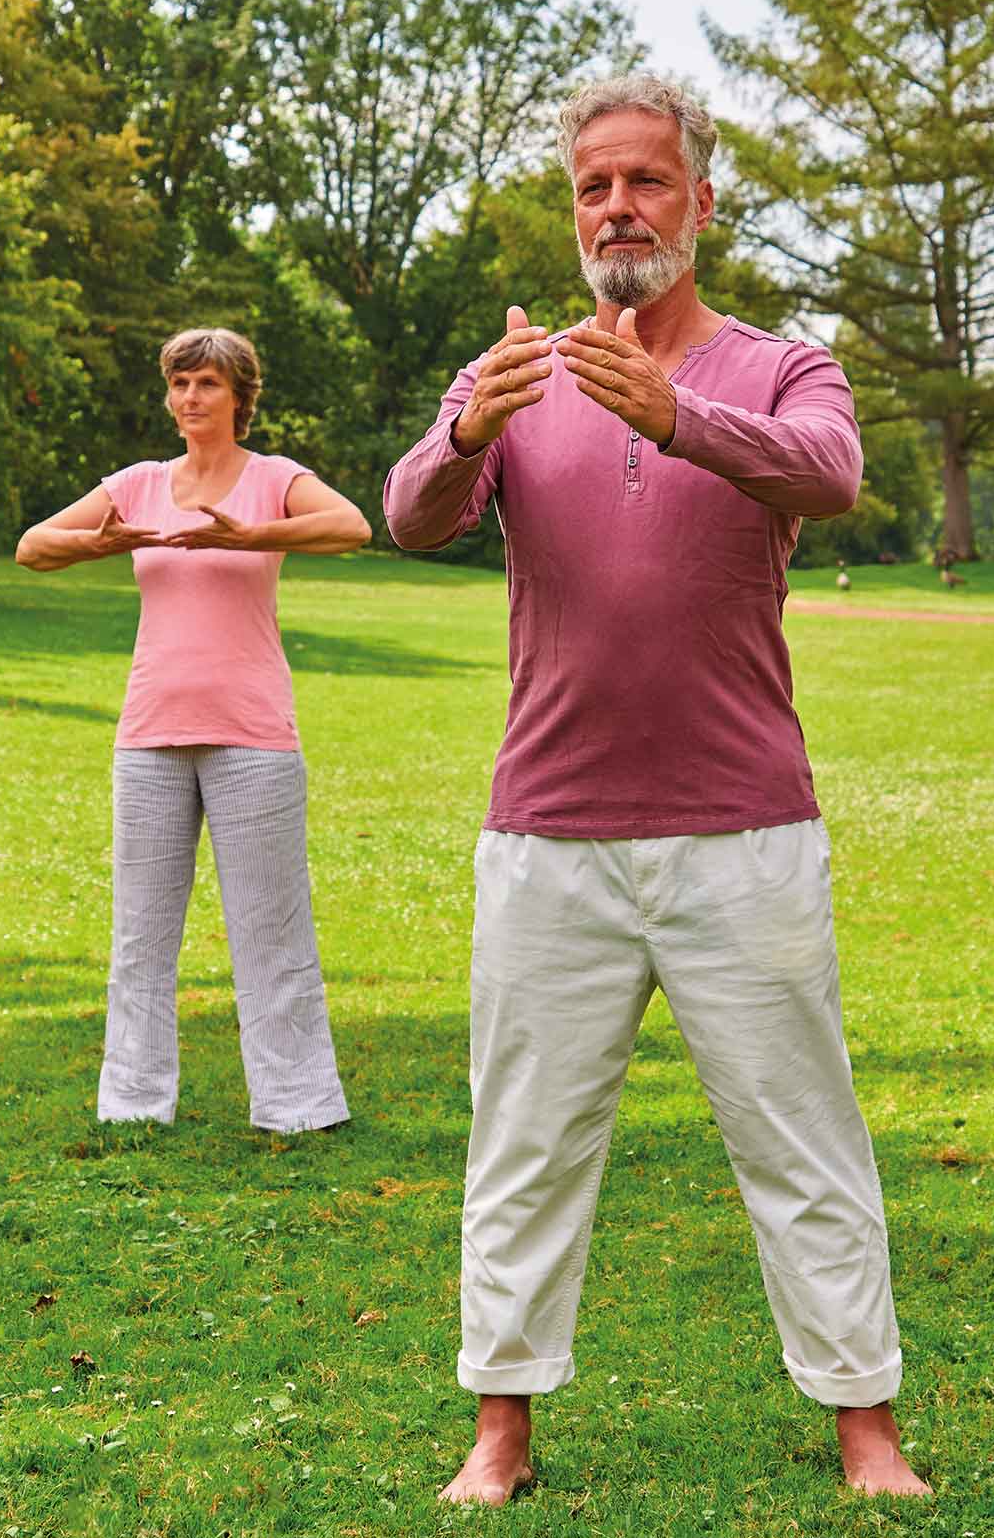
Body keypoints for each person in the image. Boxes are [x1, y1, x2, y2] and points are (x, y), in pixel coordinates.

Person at [382, 73, 928, 1503]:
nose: (615, 207)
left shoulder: (779, 368)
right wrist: (462, 434)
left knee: (798, 1133)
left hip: (742, 829)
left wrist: (677, 415)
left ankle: (863, 1425)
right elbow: (408, 517)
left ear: (700, 199)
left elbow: (828, 476)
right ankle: (498, 1429)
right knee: (524, 1142)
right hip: (548, 832)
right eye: (591, 187)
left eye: (643, 180)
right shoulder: (508, 372)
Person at [13, 327, 374, 1133]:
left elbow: (351, 526)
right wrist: (96, 540)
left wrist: (250, 535)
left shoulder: (274, 479)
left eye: (206, 383)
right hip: (148, 735)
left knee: (270, 929)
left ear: (240, 397)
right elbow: (32, 547)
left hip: (253, 735)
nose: (188, 398)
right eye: (178, 383)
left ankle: (297, 1105)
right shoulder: (138, 484)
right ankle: (135, 1105)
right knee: (141, 932)